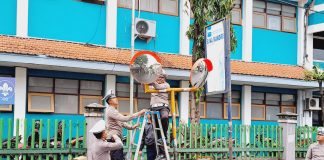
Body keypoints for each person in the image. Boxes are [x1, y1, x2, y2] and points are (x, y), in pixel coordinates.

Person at [104, 89, 147, 160]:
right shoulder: (111, 111)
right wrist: (138, 113)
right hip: (114, 138)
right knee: (117, 158)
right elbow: (124, 119)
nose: (116, 99)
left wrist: (132, 127)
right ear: (109, 101)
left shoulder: (114, 110)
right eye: (114, 98)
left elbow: (121, 122)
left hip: (116, 138)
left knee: (118, 157)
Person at [149, 69, 170, 157]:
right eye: (158, 77)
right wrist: (143, 79)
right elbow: (144, 86)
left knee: (165, 117)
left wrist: (151, 80)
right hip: (154, 107)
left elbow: (157, 87)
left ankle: (164, 136)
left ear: (164, 78)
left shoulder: (166, 85)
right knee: (156, 129)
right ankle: (161, 153)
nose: (159, 79)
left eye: (161, 77)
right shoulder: (151, 85)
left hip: (163, 107)